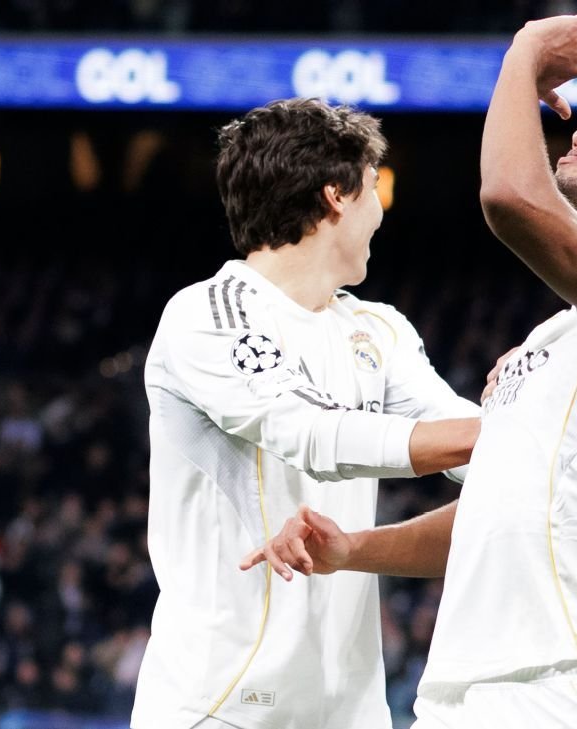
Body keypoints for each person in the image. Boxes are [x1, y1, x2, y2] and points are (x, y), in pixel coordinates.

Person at [242, 5, 577, 727]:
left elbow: (509, 197)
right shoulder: (546, 343)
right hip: (469, 690)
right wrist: (352, 550)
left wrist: (523, 59)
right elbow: (496, 509)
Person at [132, 98, 481, 729]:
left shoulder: (377, 328)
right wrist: (513, 434)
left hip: (350, 710)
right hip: (223, 706)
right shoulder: (210, 313)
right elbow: (314, 434)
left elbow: (468, 446)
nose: (381, 211)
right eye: (374, 186)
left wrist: (542, 423)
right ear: (336, 196)